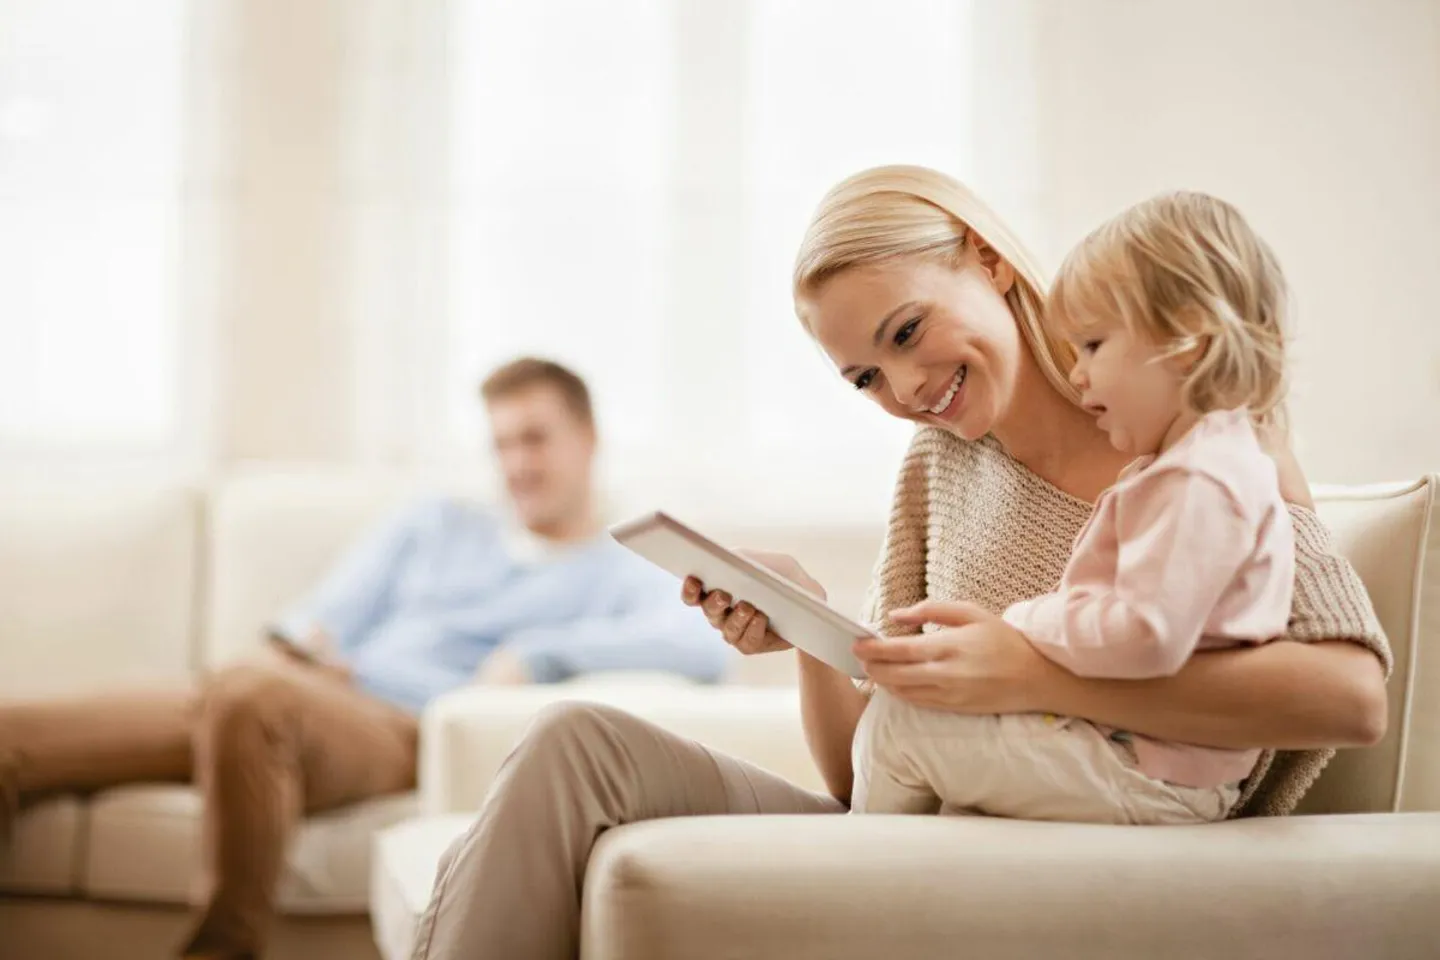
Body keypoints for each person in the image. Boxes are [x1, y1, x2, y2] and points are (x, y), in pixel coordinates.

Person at [405, 166, 1390, 960]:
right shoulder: (938, 468)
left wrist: (1030, 672)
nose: (907, 388)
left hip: (1098, 833)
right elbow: (856, 779)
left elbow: (1347, 700)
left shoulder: (1202, 439)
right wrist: (803, 624)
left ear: (989, 260)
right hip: (911, 819)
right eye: (866, 376)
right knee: (571, 745)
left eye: (908, 332)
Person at [0, 357, 725, 960]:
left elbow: (701, 650)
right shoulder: (434, 522)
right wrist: (300, 652)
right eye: (502, 444)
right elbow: (317, 621)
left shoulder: (619, 566)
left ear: (588, 437)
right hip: (289, 697)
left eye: (535, 440)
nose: (517, 465)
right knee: (17, 737)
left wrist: (537, 654)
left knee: (251, 697)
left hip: (399, 727)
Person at [852, 190, 1295, 824]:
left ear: (1188, 344)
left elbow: (1150, 633)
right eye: (864, 377)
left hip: (1155, 773)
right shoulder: (1184, 470)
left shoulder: (1207, 479)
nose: (1078, 373)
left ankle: (852, 891)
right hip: (1136, 754)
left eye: (1091, 345)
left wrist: (1022, 633)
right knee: (936, 762)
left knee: (901, 729)